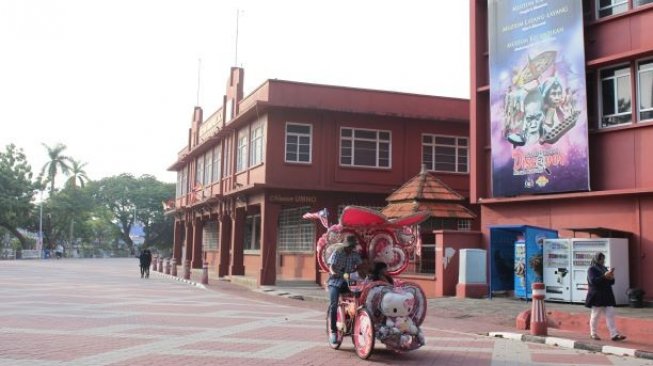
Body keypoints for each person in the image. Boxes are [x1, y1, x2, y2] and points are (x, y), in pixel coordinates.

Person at [327, 235, 362, 345]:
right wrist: (334, 273)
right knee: (334, 304)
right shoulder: (338, 252)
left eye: (351, 246)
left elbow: (361, 266)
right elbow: (331, 266)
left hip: (348, 282)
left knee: (360, 297)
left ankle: (355, 321)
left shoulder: (355, 255)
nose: (349, 248)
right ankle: (333, 331)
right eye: (348, 246)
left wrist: (359, 272)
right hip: (334, 282)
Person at [585, 252, 626, 341]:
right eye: (601, 259)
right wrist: (604, 276)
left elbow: (611, 282)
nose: (603, 261)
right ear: (597, 259)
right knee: (595, 315)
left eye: (604, 259)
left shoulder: (604, 268)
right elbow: (593, 281)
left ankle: (614, 334)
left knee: (610, 314)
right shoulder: (591, 269)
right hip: (597, 296)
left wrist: (611, 277)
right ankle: (593, 333)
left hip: (607, 295)